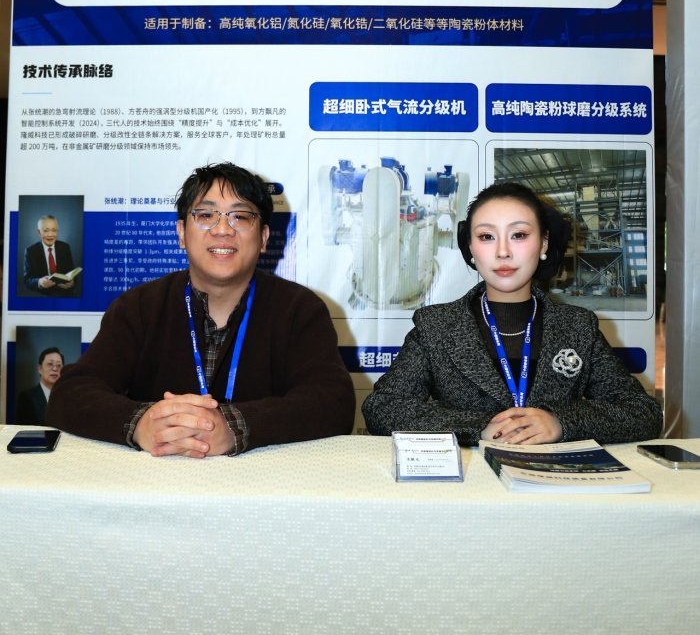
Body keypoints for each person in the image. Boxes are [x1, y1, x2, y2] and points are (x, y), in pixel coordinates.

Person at [48, 162, 355, 457]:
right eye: (206, 215)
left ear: (263, 238)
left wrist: (237, 427)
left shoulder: (299, 309)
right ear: (182, 233)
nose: (222, 229)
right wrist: (141, 423)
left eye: (240, 217)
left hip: (262, 485)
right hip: (156, 480)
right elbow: (71, 393)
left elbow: (332, 401)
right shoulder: (139, 307)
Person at [363, 180, 662, 446]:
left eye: (518, 235)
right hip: (471, 483)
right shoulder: (436, 327)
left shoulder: (577, 327)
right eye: (486, 237)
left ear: (543, 243)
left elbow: (643, 412)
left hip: (555, 483)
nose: (503, 251)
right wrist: (477, 427)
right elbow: (383, 407)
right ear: (470, 247)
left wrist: (560, 421)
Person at [23, 215, 78, 295]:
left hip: (64, 293)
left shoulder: (65, 247)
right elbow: (27, 280)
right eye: (46, 231)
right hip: (43, 295)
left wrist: (72, 283)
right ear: (39, 232)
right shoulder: (30, 251)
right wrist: (39, 282)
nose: (50, 234)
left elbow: (71, 272)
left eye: (54, 230)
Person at [17, 347, 65, 424]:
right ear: (40, 369)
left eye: (59, 365)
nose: (55, 369)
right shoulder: (26, 397)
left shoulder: (68, 398)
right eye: (50, 364)